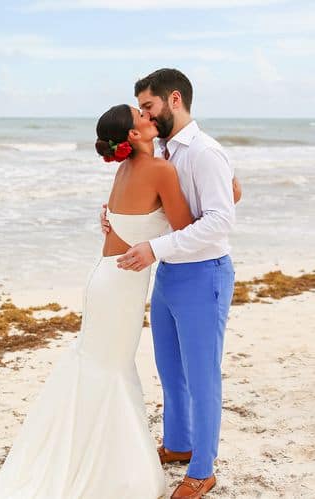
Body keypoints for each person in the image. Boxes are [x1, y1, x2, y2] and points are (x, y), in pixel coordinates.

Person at [0, 104, 193, 498]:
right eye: (142, 116)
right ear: (133, 135)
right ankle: (110, 470)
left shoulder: (125, 170)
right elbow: (185, 227)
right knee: (110, 369)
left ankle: (92, 457)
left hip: (105, 277)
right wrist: (228, 194)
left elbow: (127, 221)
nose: (150, 117)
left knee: (101, 366)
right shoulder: (161, 170)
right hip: (121, 285)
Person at [104, 68, 237, 499]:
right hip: (169, 274)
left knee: (202, 376)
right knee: (170, 369)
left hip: (203, 274)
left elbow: (219, 222)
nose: (144, 113)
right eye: (140, 107)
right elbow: (218, 195)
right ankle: (178, 444)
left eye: (147, 106)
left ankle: (202, 469)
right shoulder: (163, 150)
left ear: (173, 99)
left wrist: (156, 247)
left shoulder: (203, 152)